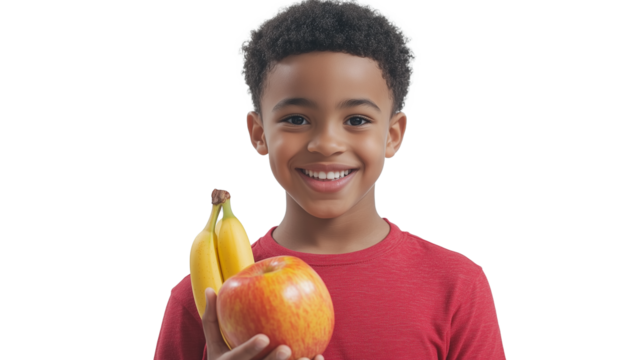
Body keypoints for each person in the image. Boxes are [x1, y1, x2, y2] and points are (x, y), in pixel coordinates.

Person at [154, 0, 506, 359]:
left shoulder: (457, 285)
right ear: (259, 134)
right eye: (295, 119)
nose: (325, 145)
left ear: (393, 135)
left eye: (356, 120)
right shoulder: (203, 301)